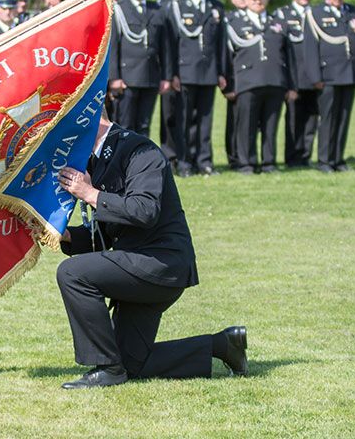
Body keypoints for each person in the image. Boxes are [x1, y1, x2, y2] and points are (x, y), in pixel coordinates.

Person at [53, 109, 248, 388]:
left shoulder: (139, 150)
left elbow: (144, 211)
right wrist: (66, 236)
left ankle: (105, 368)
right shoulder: (99, 161)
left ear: (90, 119)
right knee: (132, 364)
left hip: (160, 264)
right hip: (136, 264)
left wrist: (90, 193)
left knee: (72, 273)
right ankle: (224, 344)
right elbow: (108, 234)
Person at [226, 0, 296, 174]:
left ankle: (269, 162)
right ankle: (246, 162)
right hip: (247, 81)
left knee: (270, 126)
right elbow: (227, 57)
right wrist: (229, 86)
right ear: (246, 0)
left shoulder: (277, 23)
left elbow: (288, 57)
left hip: (275, 81)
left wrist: (291, 86)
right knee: (246, 126)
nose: (257, 2)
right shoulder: (234, 24)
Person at [167, 0, 227, 177]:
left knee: (205, 121)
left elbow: (221, 43)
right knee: (183, 121)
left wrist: (221, 72)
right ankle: (184, 162)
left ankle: (204, 161)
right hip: (185, 72)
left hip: (208, 72)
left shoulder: (215, 7)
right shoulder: (177, 6)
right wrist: (172, 73)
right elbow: (172, 44)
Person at [108, 0, 170, 137]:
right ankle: (124, 163)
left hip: (150, 76)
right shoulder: (119, 10)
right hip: (127, 77)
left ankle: (142, 162)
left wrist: (166, 76)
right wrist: (114, 77)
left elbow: (164, 46)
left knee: (144, 125)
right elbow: (113, 46)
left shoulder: (156, 10)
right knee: (125, 125)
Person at [303, 0, 355, 173]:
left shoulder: (351, 11)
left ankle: (338, 159)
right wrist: (315, 77)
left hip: (349, 74)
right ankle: (324, 160)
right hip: (328, 75)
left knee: (343, 119)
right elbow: (310, 49)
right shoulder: (315, 14)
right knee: (328, 119)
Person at [274, 0, 318, 168]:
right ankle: (292, 158)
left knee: (311, 119)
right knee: (293, 119)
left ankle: (305, 156)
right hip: (294, 76)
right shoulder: (282, 15)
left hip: (314, 76)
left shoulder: (316, 14)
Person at [157, 0, 188, 168]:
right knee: (168, 116)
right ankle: (169, 155)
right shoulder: (162, 6)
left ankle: (187, 156)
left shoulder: (196, 6)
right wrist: (169, 74)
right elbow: (164, 45)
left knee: (188, 116)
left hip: (191, 70)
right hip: (169, 70)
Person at [223, 0, 249, 170]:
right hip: (236, 78)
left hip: (251, 78)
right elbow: (225, 55)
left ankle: (245, 156)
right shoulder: (228, 20)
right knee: (235, 121)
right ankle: (234, 156)